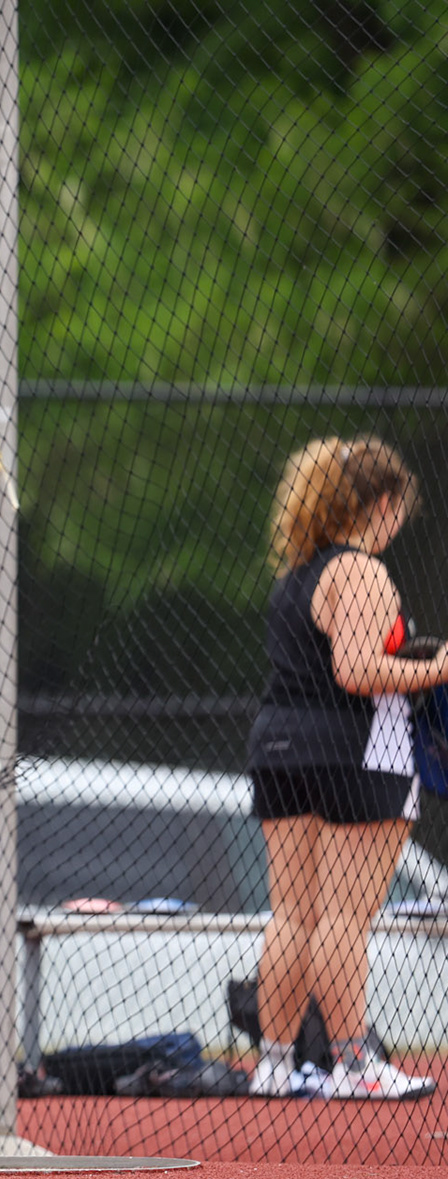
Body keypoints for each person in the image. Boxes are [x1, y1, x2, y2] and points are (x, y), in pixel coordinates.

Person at [247, 437, 441, 1100]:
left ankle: (275, 1066)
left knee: (292, 914)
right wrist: (439, 666)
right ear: (381, 503)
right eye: (397, 512)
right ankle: (355, 1062)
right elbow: (356, 670)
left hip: (278, 746)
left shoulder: (296, 575)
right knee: (344, 917)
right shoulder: (359, 572)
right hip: (352, 751)